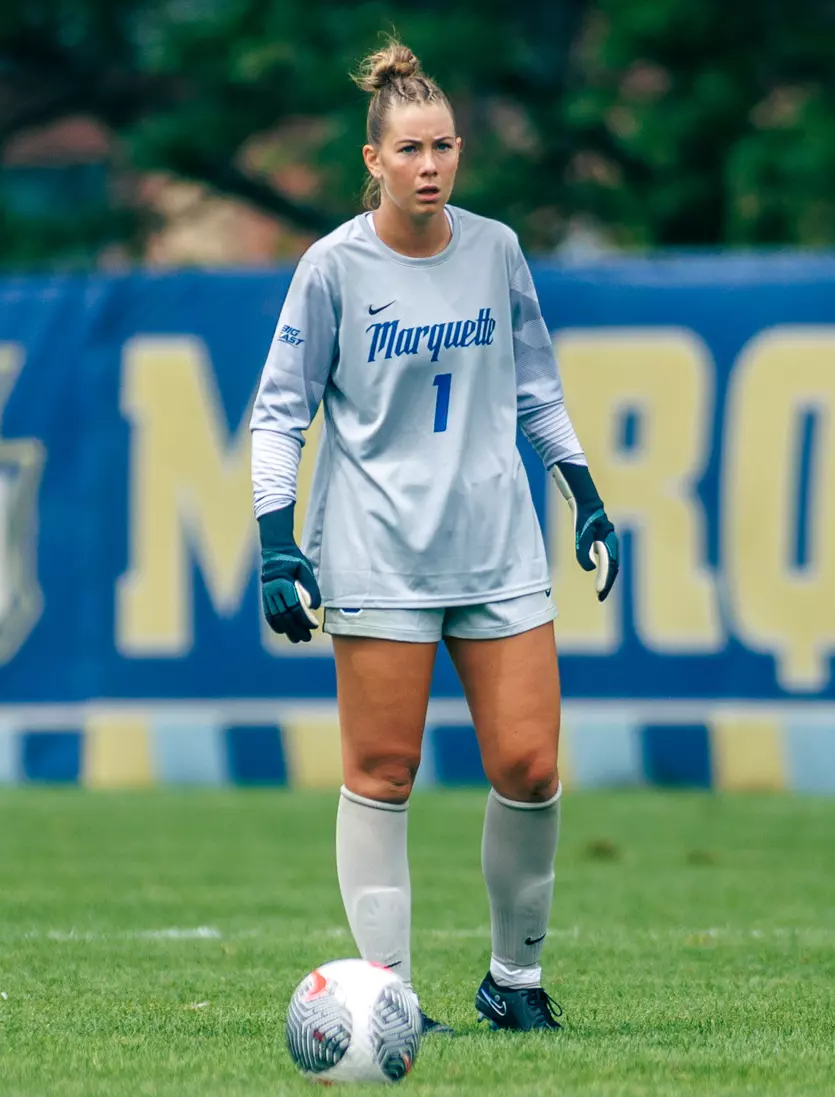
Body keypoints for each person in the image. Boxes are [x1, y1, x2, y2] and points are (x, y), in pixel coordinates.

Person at [250, 39, 619, 1034]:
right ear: (372, 159)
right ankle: (389, 996)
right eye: (409, 147)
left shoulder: (495, 248)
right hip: (378, 547)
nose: (429, 164)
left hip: (497, 540)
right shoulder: (332, 266)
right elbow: (280, 412)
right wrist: (276, 543)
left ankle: (514, 979)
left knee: (531, 765)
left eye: (444, 146)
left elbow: (537, 384)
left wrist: (581, 493)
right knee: (383, 772)